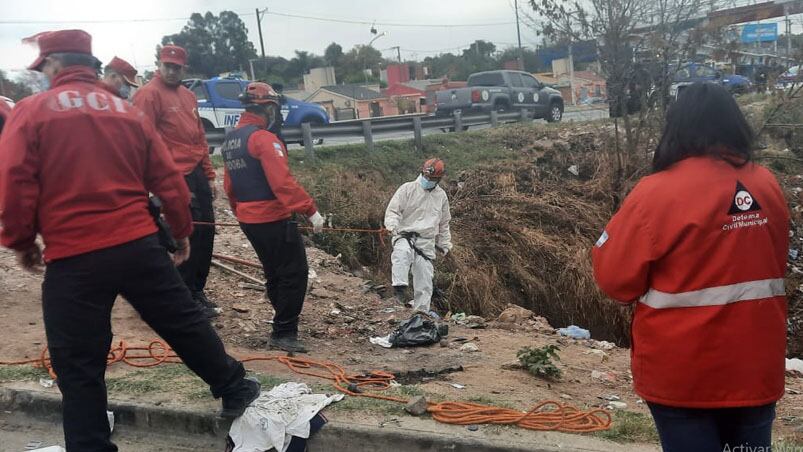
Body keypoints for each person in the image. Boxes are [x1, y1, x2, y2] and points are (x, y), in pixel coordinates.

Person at [0, 30, 260, 451]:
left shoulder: (30, 113)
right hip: (137, 245)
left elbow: (14, 185)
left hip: (74, 257)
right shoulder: (126, 112)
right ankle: (235, 387)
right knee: (182, 321)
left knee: (78, 362)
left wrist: (21, 242)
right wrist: (180, 233)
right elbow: (170, 182)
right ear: (90, 64)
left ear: (53, 66)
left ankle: (91, 446)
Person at [592, 82, 788, 452]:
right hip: (755, 368)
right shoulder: (766, 184)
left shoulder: (657, 193)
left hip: (683, 377)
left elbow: (615, 280)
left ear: (676, 128)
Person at [221, 82, 324, 353]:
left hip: (248, 219)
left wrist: (240, 212)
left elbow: (229, 187)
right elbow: (283, 183)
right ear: (268, 107)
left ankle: (283, 325)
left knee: (274, 272)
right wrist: (310, 210)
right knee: (295, 273)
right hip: (272, 217)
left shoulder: (231, 140)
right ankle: (284, 331)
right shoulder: (263, 139)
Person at [133, 44, 218, 317]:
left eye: (176, 67)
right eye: (166, 65)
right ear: (159, 64)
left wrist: (209, 174)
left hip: (196, 172)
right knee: (184, 233)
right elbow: (140, 141)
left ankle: (196, 290)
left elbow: (199, 138)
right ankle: (182, 299)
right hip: (172, 175)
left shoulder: (188, 96)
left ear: (184, 69)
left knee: (206, 232)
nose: (171, 71)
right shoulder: (148, 95)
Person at [384, 159, 453, 313]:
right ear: (422, 172)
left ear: (439, 179)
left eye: (432, 179)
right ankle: (399, 291)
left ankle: (421, 313)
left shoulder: (441, 196)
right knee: (402, 254)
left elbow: (444, 223)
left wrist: (445, 244)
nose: (428, 181)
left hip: (426, 241)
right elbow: (393, 211)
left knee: (425, 279)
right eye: (426, 177)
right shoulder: (407, 189)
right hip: (404, 234)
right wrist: (392, 225)